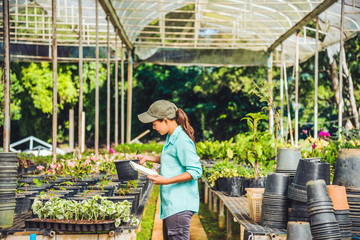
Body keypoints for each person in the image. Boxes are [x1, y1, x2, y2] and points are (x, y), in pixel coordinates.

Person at [136, 99, 202, 240]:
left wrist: (166, 180)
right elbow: (171, 157)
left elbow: (196, 170)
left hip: (179, 205)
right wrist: (149, 158)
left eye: (154, 124)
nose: (154, 128)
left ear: (165, 121)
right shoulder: (171, 137)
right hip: (172, 205)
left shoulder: (181, 140)